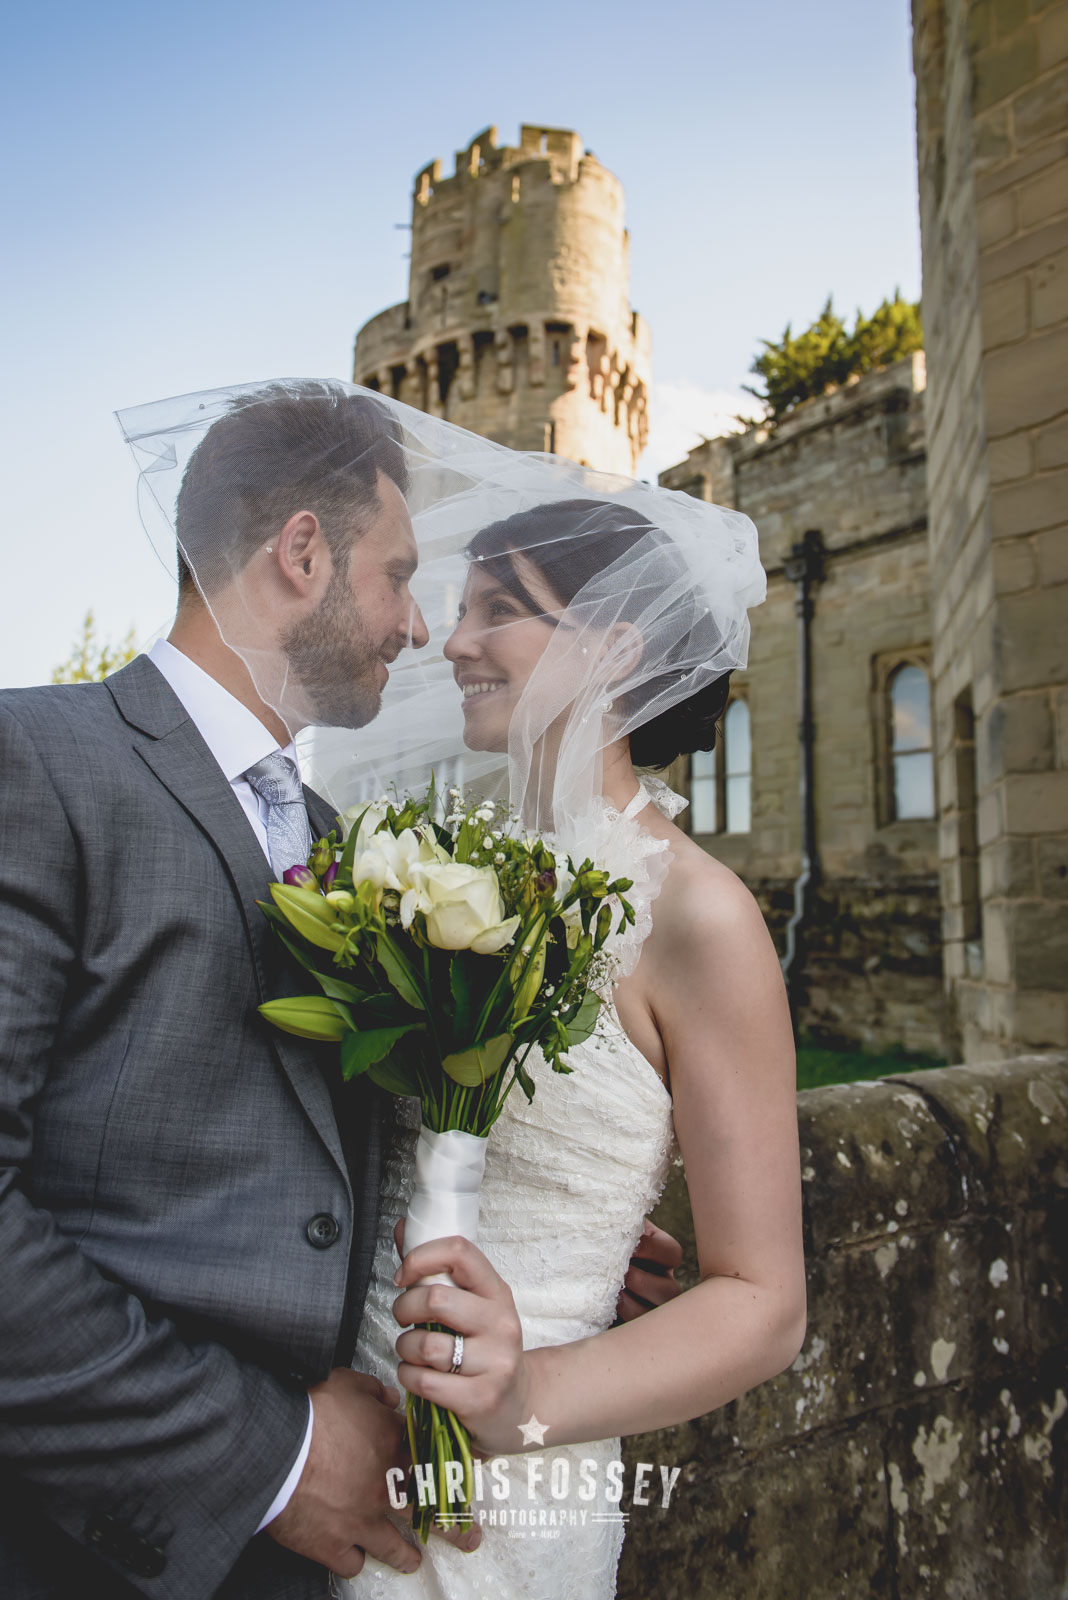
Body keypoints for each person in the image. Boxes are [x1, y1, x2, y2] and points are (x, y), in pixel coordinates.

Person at [0, 383, 677, 1600]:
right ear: (302, 553)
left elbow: (332, 1118)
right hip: (92, 1547)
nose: (420, 630)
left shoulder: (339, 841)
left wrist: (551, 1234)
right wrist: (273, 1458)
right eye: (400, 576)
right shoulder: (35, 763)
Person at [335, 498, 806, 1599]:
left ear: (616, 646)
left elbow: (764, 1303)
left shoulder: (701, 917)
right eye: (459, 609)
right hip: (346, 1438)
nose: (454, 641)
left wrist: (521, 1399)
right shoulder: (437, 871)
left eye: (499, 609)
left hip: (512, 1488)